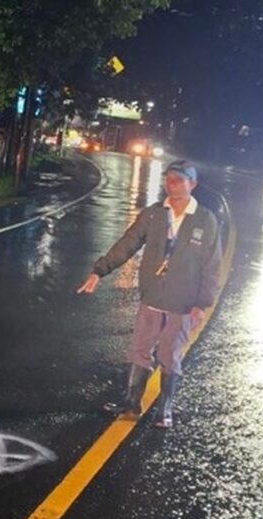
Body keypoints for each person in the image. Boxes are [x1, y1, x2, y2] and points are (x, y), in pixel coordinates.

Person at [77, 160, 221, 428]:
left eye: (179, 179)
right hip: (152, 295)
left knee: (169, 354)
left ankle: (165, 410)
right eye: (169, 178)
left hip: (182, 301)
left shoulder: (205, 220)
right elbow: (127, 243)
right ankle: (132, 403)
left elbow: (212, 265)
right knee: (139, 350)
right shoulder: (154, 214)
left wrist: (202, 304)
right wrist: (99, 270)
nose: (171, 183)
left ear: (192, 184)